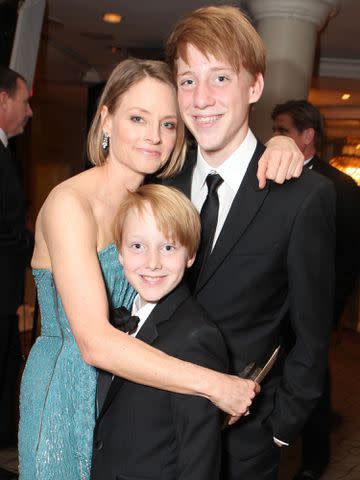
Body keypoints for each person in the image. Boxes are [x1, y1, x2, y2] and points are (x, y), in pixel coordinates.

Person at [18, 57, 298, 480]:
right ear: (106, 119)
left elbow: (229, 157)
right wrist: (215, 383)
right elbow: (93, 343)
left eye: (169, 124)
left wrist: (280, 145)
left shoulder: (158, 196)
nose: (154, 136)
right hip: (67, 390)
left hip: (130, 391)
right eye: (137, 118)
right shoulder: (69, 204)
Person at [161, 6, 336, 479]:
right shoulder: (160, 186)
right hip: (150, 428)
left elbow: (312, 330)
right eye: (187, 81)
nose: (201, 99)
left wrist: (279, 428)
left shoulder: (302, 197)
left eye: (219, 78)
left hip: (240, 444)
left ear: (254, 86)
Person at [92, 184, 228, 480]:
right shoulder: (117, 320)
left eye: (168, 247)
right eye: (138, 246)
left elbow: (199, 460)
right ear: (119, 253)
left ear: (190, 255)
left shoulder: (197, 337)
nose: (152, 263)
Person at [272, 99, 360, 480]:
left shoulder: (339, 186)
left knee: (313, 379)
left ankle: (314, 462)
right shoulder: (269, 175)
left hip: (314, 308)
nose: (273, 138)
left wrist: (329, 313)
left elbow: (349, 257)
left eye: (282, 131)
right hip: (273, 305)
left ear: (306, 136)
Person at [0, 66, 33, 456]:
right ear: (3, 99)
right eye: (24, 102)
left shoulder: (7, 150)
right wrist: (29, 239)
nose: (29, 112)